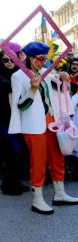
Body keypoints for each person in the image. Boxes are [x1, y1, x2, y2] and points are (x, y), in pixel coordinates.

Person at [8, 42, 78, 215]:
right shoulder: (18, 76)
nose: (43, 63)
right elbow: (20, 105)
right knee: (38, 162)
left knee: (57, 157)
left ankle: (60, 193)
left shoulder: (46, 73)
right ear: (31, 58)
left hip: (52, 122)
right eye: (40, 59)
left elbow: (60, 91)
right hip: (33, 126)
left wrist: (64, 79)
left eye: (45, 59)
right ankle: (37, 199)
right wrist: (32, 89)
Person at [0, 44, 29, 195]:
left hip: (16, 119)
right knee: (13, 150)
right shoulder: (2, 76)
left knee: (19, 150)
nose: (9, 62)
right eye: (6, 60)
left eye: (12, 60)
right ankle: (8, 185)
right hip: (3, 120)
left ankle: (14, 182)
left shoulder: (17, 74)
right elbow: (8, 87)